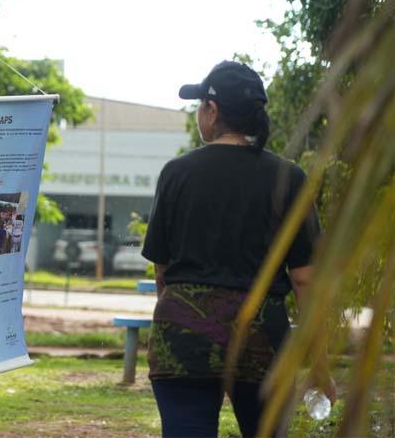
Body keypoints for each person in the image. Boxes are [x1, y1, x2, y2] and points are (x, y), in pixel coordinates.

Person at [141, 60, 336, 437]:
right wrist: (320, 362)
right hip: (262, 341)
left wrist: (182, 330)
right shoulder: (288, 177)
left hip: (183, 339)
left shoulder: (177, 173)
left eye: (200, 107)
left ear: (212, 112)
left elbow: (162, 270)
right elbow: (306, 281)